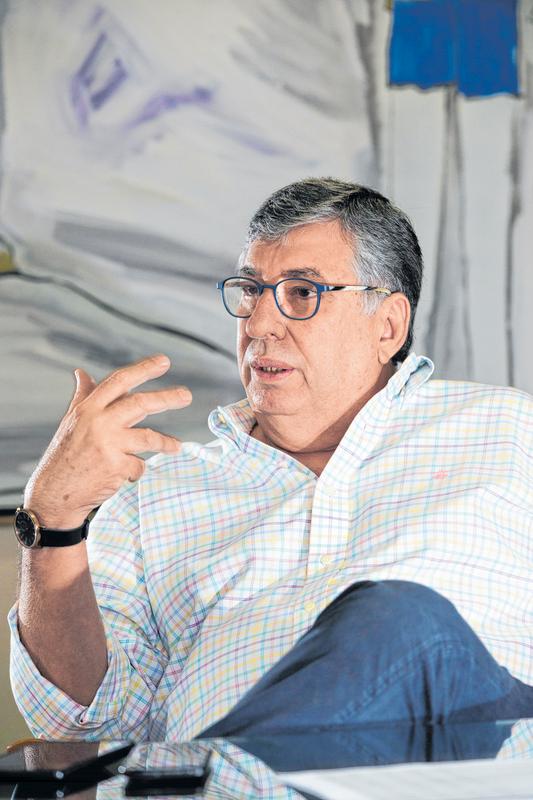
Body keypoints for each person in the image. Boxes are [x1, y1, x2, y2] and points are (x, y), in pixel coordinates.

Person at [9, 178, 533, 744]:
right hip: (245, 774)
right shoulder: (149, 494)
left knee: (401, 618)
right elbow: (75, 723)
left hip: (470, 761)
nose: (258, 324)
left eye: (302, 293)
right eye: (251, 291)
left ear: (388, 326)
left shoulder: (508, 430)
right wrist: (53, 521)